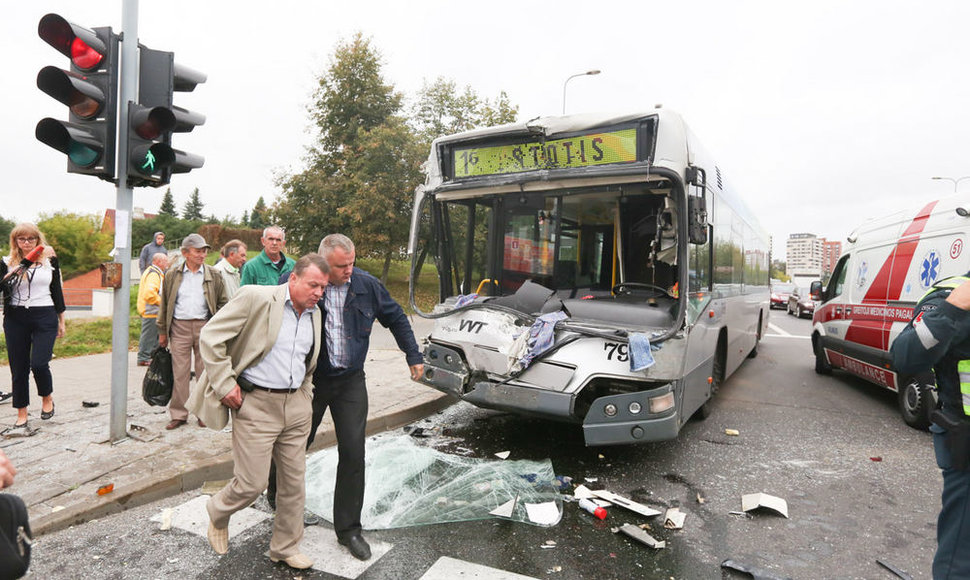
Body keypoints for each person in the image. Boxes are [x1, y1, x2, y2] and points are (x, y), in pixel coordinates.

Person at [267, 234, 424, 561]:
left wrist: (413, 355)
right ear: (324, 263)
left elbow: (395, 317)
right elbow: (270, 321)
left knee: (354, 451)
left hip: (350, 379)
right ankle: (277, 494)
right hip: (310, 381)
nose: (349, 270)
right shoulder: (298, 281)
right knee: (296, 444)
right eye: (341, 266)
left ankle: (349, 530)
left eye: (352, 263)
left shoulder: (366, 284)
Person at [188, 254, 329, 570]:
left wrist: (306, 396)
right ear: (293, 279)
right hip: (256, 405)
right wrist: (225, 384)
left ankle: (285, 547)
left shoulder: (314, 314)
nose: (319, 292)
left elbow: (307, 362)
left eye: (324, 287)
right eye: (313, 285)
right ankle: (219, 510)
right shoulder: (256, 297)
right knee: (251, 483)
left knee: (294, 484)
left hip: (296, 407)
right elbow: (211, 336)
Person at [892, 275, 970, 579]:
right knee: (960, 560)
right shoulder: (952, 293)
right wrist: (952, 311)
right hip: (965, 447)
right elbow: (905, 355)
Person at [156, 234, 228, 430]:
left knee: (204, 373)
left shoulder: (214, 275)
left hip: (205, 327)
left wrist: (219, 329)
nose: (203, 255)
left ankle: (203, 413)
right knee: (179, 373)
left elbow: (223, 304)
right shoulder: (172, 275)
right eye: (198, 251)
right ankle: (179, 414)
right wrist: (162, 331)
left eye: (204, 251)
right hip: (179, 327)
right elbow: (164, 305)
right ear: (185, 253)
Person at [0, 223, 65, 431]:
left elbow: (56, 290)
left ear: (38, 240)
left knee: (38, 363)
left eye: (31, 239)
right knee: (19, 368)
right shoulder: (6, 262)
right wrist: (21, 267)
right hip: (16, 317)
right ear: (15, 242)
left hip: (44, 315)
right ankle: (22, 413)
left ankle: (47, 397)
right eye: (22, 239)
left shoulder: (50, 260)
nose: (27, 243)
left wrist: (61, 321)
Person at [136, 252, 170, 366]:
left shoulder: (154, 272)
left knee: (152, 336)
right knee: (149, 336)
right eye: (165, 261)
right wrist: (163, 304)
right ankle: (143, 357)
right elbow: (150, 294)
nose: (167, 263)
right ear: (158, 262)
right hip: (151, 311)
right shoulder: (154, 274)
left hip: (152, 311)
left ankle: (149, 357)